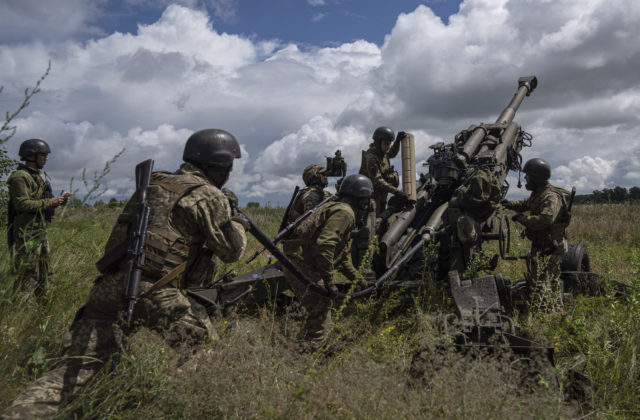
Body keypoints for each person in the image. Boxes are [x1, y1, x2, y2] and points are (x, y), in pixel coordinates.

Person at [2, 129, 247, 419]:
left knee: (75, 369)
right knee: (208, 355)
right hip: (158, 292)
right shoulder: (208, 194)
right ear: (220, 166)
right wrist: (236, 220)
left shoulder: (153, 183)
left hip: (108, 287)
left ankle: (19, 413)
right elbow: (232, 252)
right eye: (230, 168)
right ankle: (189, 409)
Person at [282, 174, 373, 349]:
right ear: (362, 201)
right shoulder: (345, 213)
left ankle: (309, 344)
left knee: (319, 306)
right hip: (301, 262)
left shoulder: (338, 208)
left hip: (298, 260)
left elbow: (342, 258)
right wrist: (329, 283)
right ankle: (311, 350)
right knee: (321, 303)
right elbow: (325, 245)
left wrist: (362, 282)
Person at [7, 138, 68, 295]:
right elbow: (22, 205)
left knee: (46, 272)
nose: (46, 158)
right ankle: (20, 311)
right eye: (43, 155)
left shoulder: (38, 177)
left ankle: (42, 308)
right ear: (31, 156)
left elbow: (42, 202)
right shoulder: (20, 177)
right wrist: (49, 202)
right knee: (29, 273)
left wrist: (58, 202)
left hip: (39, 231)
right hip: (27, 234)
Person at [501, 158, 570, 291]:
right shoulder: (539, 193)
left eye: (528, 175)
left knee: (544, 285)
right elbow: (526, 203)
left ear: (536, 177)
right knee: (538, 282)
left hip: (551, 248)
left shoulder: (550, 196)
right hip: (541, 246)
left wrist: (522, 219)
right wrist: (510, 204)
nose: (525, 177)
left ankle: (549, 310)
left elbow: (545, 220)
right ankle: (548, 307)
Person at [359, 126, 408, 216]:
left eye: (389, 144)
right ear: (378, 142)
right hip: (372, 197)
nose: (388, 147)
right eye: (386, 144)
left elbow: (392, 153)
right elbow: (377, 180)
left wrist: (397, 141)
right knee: (375, 223)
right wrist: (396, 191)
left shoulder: (382, 153)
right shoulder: (371, 157)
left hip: (381, 195)